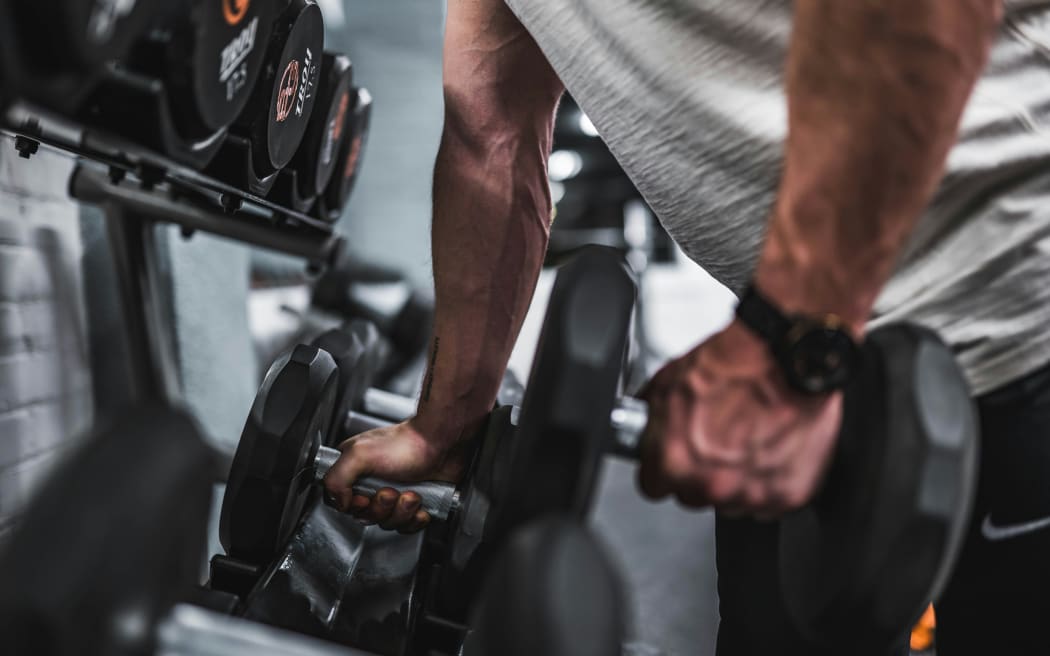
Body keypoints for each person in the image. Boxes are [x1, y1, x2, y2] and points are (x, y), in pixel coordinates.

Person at [326, 1, 1050, 652]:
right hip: (814, 353)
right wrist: (446, 425)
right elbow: (492, 137)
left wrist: (788, 344)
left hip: (1017, 322)